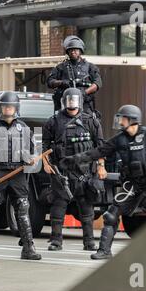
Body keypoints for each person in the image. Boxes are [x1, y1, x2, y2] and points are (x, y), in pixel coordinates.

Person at [64, 105, 146, 260]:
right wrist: (73, 160)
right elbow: (97, 152)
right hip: (132, 185)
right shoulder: (119, 139)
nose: (120, 121)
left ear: (132, 119)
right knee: (111, 215)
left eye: (122, 118)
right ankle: (104, 251)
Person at [0, 91, 42, 262]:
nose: (7, 109)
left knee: (23, 207)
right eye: (5, 106)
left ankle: (28, 248)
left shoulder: (24, 129)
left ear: (15, 108)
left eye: (10, 107)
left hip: (17, 174)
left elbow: (32, 153)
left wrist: (30, 159)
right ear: (0, 108)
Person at [42, 88, 106, 251]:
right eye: (69, 100)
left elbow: (100, 147)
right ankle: (56, 241)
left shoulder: (91, 121)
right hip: (62, 171)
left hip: (85, 172)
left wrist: (101, 166)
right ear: (64, 101)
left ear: (80, 101)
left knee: (86, 208)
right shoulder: (53, 121)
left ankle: (89, 242)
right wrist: (46, 164)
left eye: (74, 100)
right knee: (58, 207)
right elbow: (45, 146)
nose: (72, 103)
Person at [47, 35, 102, 118]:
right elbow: (50, 81)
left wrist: (84, 92)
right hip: (65, 106)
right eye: (70, 50)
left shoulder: (90, 67)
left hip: (85, 106)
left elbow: (97, 83)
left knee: (92, 124)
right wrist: (61, 82)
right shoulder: (61, 67)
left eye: (75, 50)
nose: (72, 52)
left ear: (80, 51)